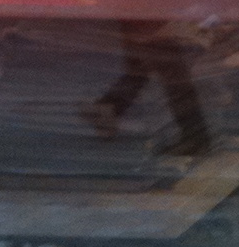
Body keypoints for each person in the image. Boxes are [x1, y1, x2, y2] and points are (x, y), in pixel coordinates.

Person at [80, 19, 213, 156]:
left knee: (142, 69)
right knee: (174, 77)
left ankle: (109, 107)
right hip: (152, 21)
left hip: (143, 19)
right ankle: (196, 137)